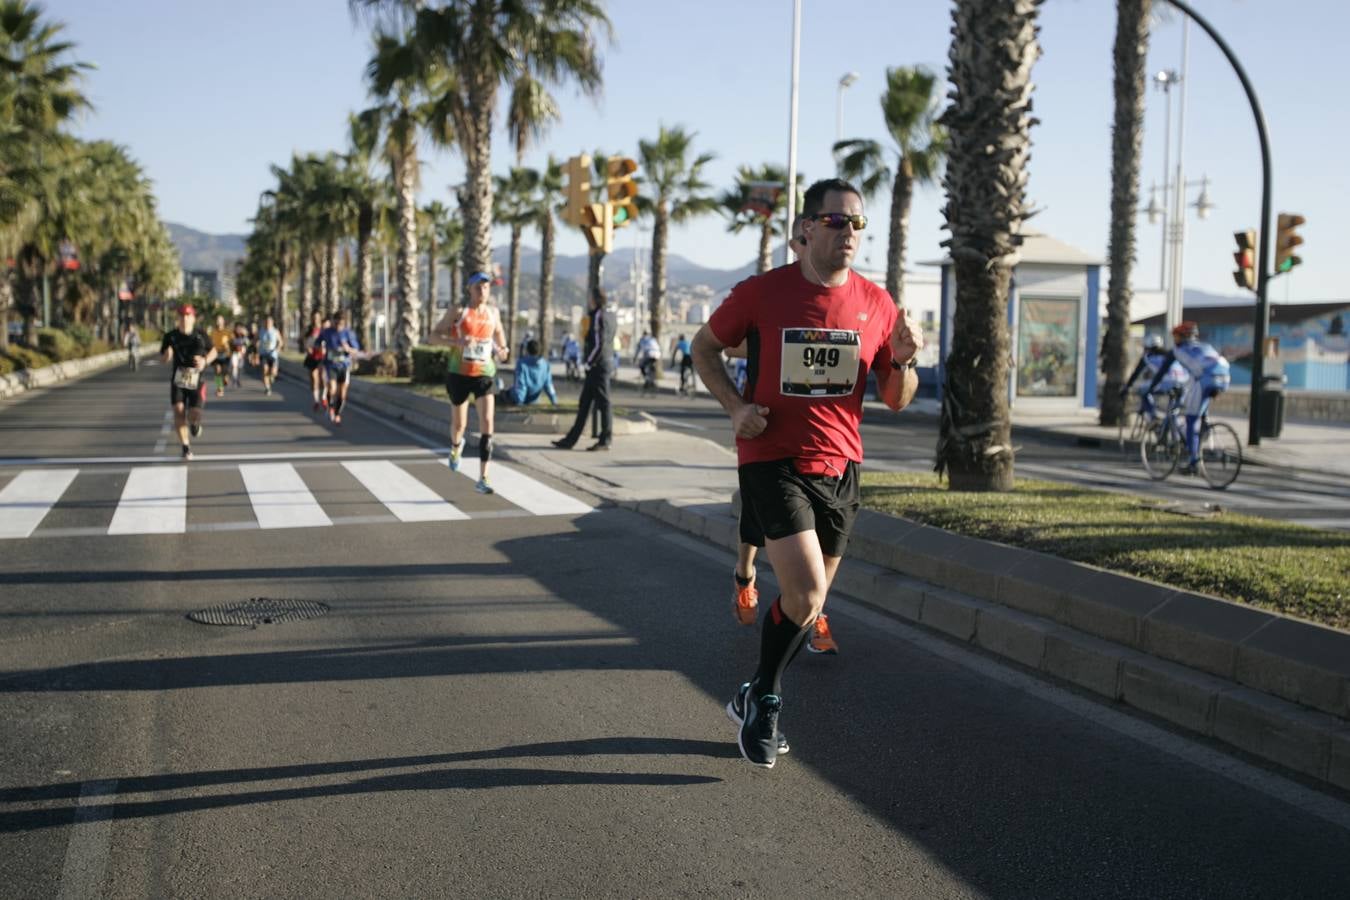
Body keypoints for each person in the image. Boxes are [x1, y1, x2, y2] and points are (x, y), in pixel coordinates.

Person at [692, 178, 923, 768]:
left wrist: (901, 358)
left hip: (841, 467)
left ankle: (751, 691)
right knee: (807, 591)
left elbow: (897, 397)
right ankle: (767, 701)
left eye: (858, 225)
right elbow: (703, 349)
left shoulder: (876, 303)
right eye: (838, 221)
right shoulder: (763, 294)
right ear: (806, 228)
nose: (850, 233)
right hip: (772, 458)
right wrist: (736, 409)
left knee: (808, 608)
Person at [726, 213, 842, 652]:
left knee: (822, 536)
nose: (800, 248)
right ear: (798, 244)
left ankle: (816, 612)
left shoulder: (831, 297)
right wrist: (771, 339)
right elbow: (726, 341)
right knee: (755, 520)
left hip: (820, 436)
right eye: (796, 241)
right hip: (765, 428)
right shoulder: (764, 294)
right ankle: (745, 574)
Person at [430, 271, 509, 493]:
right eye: (478, 287)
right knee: (459, 425)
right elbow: (433, 336)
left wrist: (503, 350)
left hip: (485, 374)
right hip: (459, 374)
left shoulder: (493, 313)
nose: (482, 290)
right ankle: (456, 447)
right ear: (469, 289)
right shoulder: (458, 312)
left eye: (486, 287)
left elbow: (500, 336)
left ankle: (483, 478)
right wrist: (457, 341)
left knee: (487, 422)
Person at [1146, 321, 1231, 475]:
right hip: (1223, 378)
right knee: (1199, 410)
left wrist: (1151, 389)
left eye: (1176, 336)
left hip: (1204, 380)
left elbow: (1161, 373)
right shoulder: (1206, 346)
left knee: (1191, 420)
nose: (1174, 340)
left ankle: (1193, 462)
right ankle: (1203, 428)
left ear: (1182, 337)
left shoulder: (1178, 350)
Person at [552, 286, 616, 452]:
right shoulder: (611, 315)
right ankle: (570, 439)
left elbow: (599, 343)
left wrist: (589, 361)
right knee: (585, 403)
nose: (588, 301)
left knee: (603, 402)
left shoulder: (598, 316)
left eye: (589, 297)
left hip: (598, 365)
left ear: (594, 299)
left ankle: (605, 440)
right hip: (605, 362)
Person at [160, 304, 216, 461]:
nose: (184, 319)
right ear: (177, 318)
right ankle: (185, 448)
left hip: (197, 380)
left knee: (193, 414)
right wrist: (167, 355)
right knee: (178, 410)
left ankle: (194, 424)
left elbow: (214, 351)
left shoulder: (201, 334)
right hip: (178, 379)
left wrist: (205, 361)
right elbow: (163, 359)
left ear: (193, 318)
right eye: (181, 316)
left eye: (188, 316)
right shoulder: (170, 336)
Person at [1120, 334, 1187, 420]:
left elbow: (1135, 374)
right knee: (1173, 410)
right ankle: (1170, 423)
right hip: (1183, 382)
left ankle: (1153, 416)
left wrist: (1127, 387)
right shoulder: (1170, 355)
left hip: (1167, 382)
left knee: (1143, 390)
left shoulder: (1148, 357)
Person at [321, 311, 360, 425]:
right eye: (336, 323)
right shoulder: (327, 332)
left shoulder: (348, 333)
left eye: (341, 324)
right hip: (331, 365)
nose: (338, 326)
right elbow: (318, 343)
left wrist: (348, 349)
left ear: (344, 323)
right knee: (332, 389)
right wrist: (321, 348)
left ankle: (337, 414)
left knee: (342, 393)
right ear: (333, 321)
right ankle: (331, 408)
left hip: (344, 366)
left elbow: (356, 349)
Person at [501, 338, 557, 407]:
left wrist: (519, 402)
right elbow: (549, 386)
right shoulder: (545, 365)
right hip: (534, 400)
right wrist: (554, 401)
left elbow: (521, 384)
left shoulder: (522, 363)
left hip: (517, 398)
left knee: (501, 391)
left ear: (527, 350)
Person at [303, 312, 328, 411]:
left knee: (323, 378)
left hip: (322, 357)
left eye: (317, 318)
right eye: (314, 318)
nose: (315, 319)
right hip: (312, 356)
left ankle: (324, 398)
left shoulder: (323, 329)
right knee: (314, 378)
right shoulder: (309, 329)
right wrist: (307, 348)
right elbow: (305, 341)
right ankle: (316, 401)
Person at [208, 314, 233, 397]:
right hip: (215, 354)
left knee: (225, 376)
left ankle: (226, 379)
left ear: (223, 322)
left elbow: (233, 342)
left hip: (225, 355)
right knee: (217, 370)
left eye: (220, 320)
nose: (218, 322)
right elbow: (209, 343)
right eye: (217, 320)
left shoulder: (228, 332)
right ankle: (220, 389)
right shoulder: (212, 332)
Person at [257, 315, 281, 395]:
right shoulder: (261, 331)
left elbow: (280, 342)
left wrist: (277, 349)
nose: (267, 324)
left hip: (273, 354)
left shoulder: (275, 331)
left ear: (272, 323)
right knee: (265, 370)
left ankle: (226, 381)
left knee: (273, 373)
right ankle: (220, 387)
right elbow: (255, 340)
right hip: (264, 354)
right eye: (266, 322)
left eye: (269, 322)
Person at [635, 331, 661, 395]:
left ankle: (647, 379)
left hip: (649, 354)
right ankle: (652, 377)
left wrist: (635, 359)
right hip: (657, 355)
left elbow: (638, 351)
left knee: (641, 366)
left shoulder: (642, 340)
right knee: (651, 365)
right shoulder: (652, 339)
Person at [229, 322, 249, 388]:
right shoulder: (232, 335)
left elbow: (247, 343)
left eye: (239, 328)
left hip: (240, 354)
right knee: (218, 371)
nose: (238, 329)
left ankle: (237, 380)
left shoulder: (243, 335)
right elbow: (230, 343)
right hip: (232, 353)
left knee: (239, 368)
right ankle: (220, 385)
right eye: (237, 328)